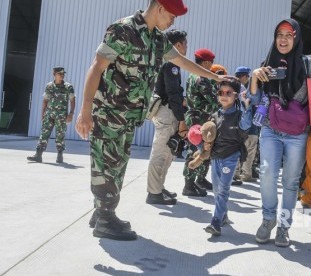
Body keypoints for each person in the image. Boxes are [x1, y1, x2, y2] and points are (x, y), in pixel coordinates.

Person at [75, 0, 232, 241]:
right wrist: (85, 110)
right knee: (105, 163)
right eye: (172, 15)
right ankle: (106, 218)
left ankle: (102, 212)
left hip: (129, 117)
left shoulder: (157, 39)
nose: (173, 21)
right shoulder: (122, 30)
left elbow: (183, 62)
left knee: (117, 166)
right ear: (159, 8)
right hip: (109, 112)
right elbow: (97, 67)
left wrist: (215, 77)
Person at [250, 19, 311, 247]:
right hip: (271, 128)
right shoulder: (266, 64)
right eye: (279, 34)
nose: (283, 39)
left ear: (296, 38)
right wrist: (255, 77)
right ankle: (268, 219)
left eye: (289, 34)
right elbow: (255, 100)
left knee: (291, 181)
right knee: (266, 172)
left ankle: (284, 227)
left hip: (297, 132)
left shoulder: (308, 65)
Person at [146, 29, 189, 206]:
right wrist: (181, 120)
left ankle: (158, 187)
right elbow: (173, 94)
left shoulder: (165, 62)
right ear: (177, 45)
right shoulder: (171, 64)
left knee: (167, 153)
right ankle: (153, 193)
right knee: (161, 152)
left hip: (166, 110)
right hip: (167, 111)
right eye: (185, 43)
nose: (186, 46)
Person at [204, 80, 252, 236]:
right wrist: (203, 148)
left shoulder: (239, 115)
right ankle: (223, 215)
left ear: (236, 96)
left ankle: (215, 221)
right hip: (215, 157)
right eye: (221, 93)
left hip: (231, 157)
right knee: (216, 189)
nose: (224, 96)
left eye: (228, 93)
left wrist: (246, 105)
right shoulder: (215, 115)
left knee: (223, 189)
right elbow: (208, 135)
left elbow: (246, 125)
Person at [182, 48, 218, 196]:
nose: (211, 66)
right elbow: (214, 101)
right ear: (206, 62)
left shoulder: (192, 75)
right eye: (211, 63)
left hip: (199, 118)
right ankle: (189, 185)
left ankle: (200, 179)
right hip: (199, 120)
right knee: (195, 151)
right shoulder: (202, 78)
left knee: (206, 149)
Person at [27, 67, 75, 163]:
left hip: (61, 116)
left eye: (63, 74)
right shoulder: (49, 86)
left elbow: (72, 100)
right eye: (60, 73)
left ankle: (60, 155)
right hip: (49, 115)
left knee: (60, 135)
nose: (62, 75)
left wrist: (71, 113)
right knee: (44, 134)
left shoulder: (68, 87)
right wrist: (43, 114)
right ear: (54, 74)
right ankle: (38, 155)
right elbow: (45, 100)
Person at [233, 66, 260, 183]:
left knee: (239, 148)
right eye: (247, 76)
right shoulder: (250, 88)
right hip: (251, 124)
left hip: (238, 124)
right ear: (244, 76)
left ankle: (237, 173)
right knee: (250, 149)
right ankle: (246, 174)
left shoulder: (233, 87)